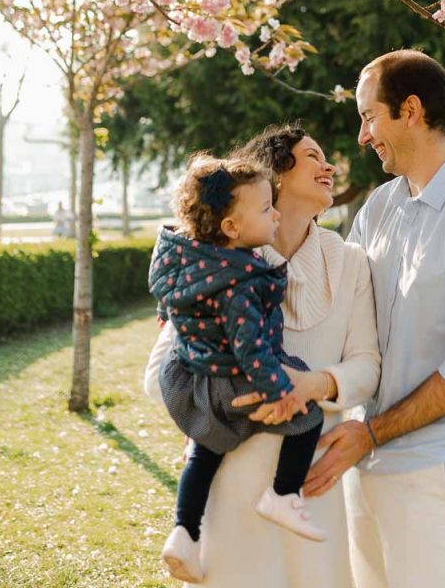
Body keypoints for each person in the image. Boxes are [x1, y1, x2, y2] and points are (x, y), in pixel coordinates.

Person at [304, 49, 445, 588]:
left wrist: (373, 433)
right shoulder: (379, 208)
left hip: (437, 477)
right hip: (361, 467)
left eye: (368, 117)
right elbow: (333, 308)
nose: (362, 136)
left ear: (410, 110)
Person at [144, 124, 380, 588]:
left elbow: (367, 366)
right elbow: (158, 378)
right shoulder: (212, 266)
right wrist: (232, 395)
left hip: (309, 485)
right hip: (230, 479)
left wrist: (311, 386)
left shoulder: (352, 261)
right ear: (274, 176)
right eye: (312, 156)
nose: (329, 166)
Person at [149, 153, 326, 583]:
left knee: (203, 453)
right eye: (265, 209)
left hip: (194, 378)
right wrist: (282, 392)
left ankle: (184, 532)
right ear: (231, 228)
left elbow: (169, 305)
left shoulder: (191, 264)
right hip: (233, 380)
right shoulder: (238, 284)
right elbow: (252, 350)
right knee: (310, 417)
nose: (275, 214)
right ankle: (284, 494)